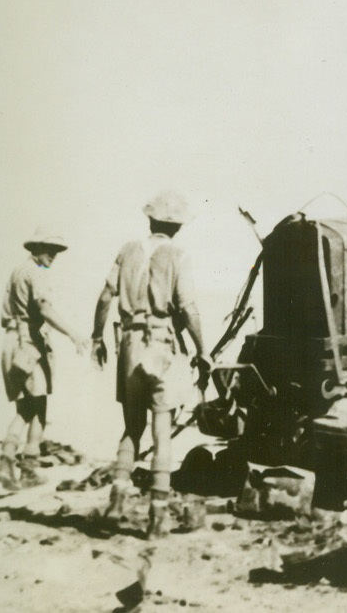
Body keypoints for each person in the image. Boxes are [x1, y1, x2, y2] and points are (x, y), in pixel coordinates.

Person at [91, 190, 209, 538]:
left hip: (129, 344)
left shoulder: (128, 250)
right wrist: (202, 350)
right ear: (178, 227)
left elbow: (105, 297)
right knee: (161, 428)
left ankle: (116, 503)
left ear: (150, 219)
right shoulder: (179, 255)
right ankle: (158, 515)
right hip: (161, 344)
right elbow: (187, 307)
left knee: (132, 427)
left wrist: (97, 338)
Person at [0, 229, 91, 496]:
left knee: (29, 405)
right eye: (49, 249)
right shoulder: (35, 272)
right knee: (34, 407)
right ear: (36, 248)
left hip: (13, 342)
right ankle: (10, 465)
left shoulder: (18, 271)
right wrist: (72, 333)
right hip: (29, 343)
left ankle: (23, 466)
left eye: (57, 250)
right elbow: (44, 308)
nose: (54, 254)